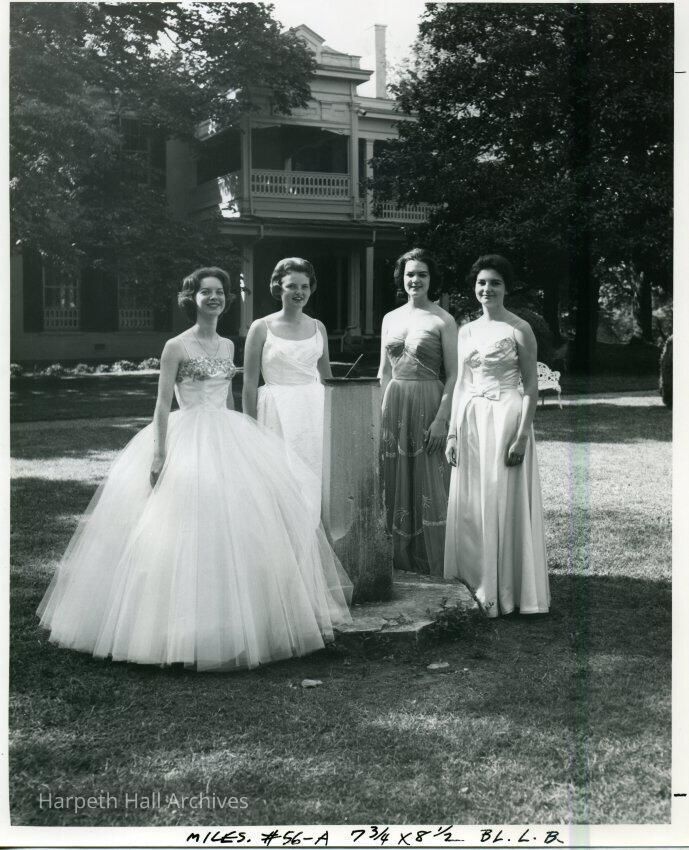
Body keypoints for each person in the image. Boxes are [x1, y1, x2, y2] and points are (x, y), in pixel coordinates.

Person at [37, 267, 351, 671]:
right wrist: (158, 454)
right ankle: (173, 628)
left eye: (220, 292)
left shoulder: (227, 345)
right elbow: (161, 404)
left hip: (226, 435)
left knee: (235, 526)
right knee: (180, 528)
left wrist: (246, 436)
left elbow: (229, 398)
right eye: (206, 292)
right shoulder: (176, 346)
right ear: (193, 299)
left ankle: (233, 621)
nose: (214, 298)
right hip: (188, 436)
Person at [444, 254, 550, 617]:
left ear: (507, 288)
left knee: (502, 498)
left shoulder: (520, 328)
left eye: (495, 283)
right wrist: (453, 433)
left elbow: (531, 386)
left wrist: (521, 437)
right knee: (473, 503)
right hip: (472, 420)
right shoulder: (466, 331)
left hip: (507, 419)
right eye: (481, 283)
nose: (487, 289)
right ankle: (474, 583)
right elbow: (461, 384)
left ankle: (508, 590)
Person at [378, 248, 458, 576]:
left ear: (431, 279)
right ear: (402, 278)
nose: (415, 280)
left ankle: (431, 560)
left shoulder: (443, 320)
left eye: (422, 274)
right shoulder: (390, 318)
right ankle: (398, 560)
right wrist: (379, 415)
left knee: (429, 480)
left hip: (428, 402)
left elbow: (454, 374)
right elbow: (384, 371)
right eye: (410, 274)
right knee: (395, 478)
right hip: (395, 402)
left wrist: (442, 420)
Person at [242, 257, 332, 516]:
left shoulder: (318, 327)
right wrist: (251, 428)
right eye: (292, 286)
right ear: (278, 287)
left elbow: (327, 378)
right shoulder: (261, 328)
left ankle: (311, 536)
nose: (299, 292)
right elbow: (249, 384)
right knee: (281, 482)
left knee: (313, 480)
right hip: (276, 411)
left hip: (314, 411)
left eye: (304, 286)